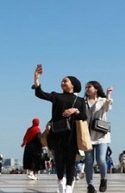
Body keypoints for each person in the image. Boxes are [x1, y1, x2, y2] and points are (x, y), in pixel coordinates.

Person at [33, 64, 87, 193]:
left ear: (73, 84)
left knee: (70, 162)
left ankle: (68, 187)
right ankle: (61, 182)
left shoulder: (80, 101)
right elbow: (40, 94)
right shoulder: (56, 96)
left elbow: (84, 117)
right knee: (59, 161)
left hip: (72, 135)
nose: (62, 83)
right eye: (62, 81)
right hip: (56, 134)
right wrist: (36, 78)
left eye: (65, 81)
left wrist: (75, 110)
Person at [83, 81, 114, 193]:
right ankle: (90, 185)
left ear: (96, 89)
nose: (87, 89)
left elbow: (107, 108)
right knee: (89, 161)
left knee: (101, 159)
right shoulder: (83, 102)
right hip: (87, 135)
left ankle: (103, 178)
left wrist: (108, 95)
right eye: (85, 87)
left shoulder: (102, 100)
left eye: (89, 87)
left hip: (101, 135)